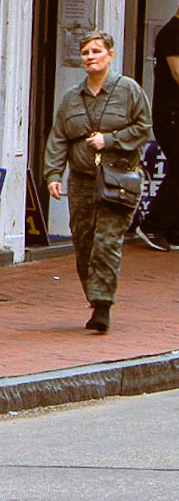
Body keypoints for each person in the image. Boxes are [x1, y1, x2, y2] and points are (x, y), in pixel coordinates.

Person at [44, 30, 152, 334]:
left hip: (119, 178)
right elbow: (59, 138)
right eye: (85, 53)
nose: (90, 57)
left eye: (96, 51)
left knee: (106, 241)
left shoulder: (128, 90)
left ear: (110, 55)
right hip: (82, 182)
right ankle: (94, 296)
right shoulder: (71, 98)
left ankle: (102, 305)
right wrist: (53, 174)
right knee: (85, 242)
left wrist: (111, 139)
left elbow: (144, 128)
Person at [135, 2, 179, 250]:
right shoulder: (173, 33)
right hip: (172, 115)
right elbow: (177, 72)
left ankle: (173, 228)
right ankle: (153, 225)